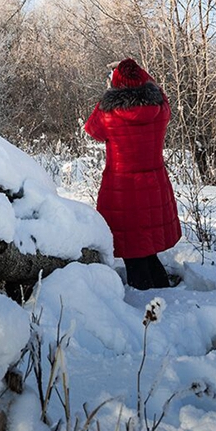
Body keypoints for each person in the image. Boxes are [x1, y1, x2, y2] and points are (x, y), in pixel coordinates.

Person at [84, 57, 181, 290]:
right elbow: (159, 91)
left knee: (132, 248)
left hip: (122, 187)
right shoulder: (160, 108)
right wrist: (141, 76)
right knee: (145, 244)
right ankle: (161, 288)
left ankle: (146, 297)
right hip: (154, 183)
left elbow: (91, 129)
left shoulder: (109, 113)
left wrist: (108, 94)